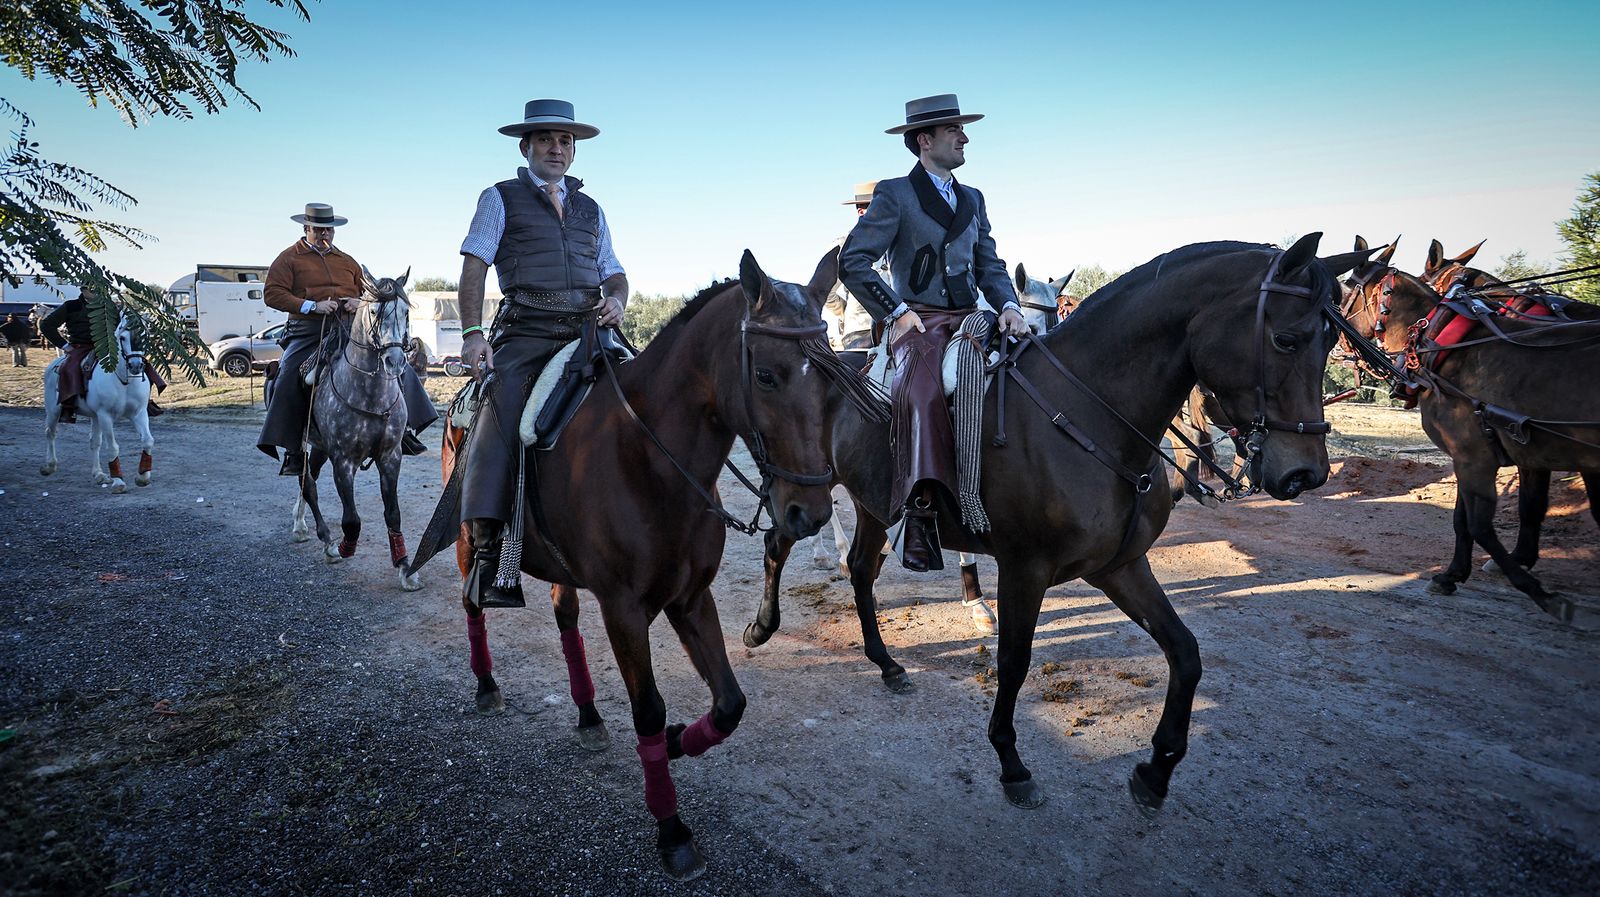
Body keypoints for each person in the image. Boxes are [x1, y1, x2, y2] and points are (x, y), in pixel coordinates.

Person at [840, 94, 1028, 572]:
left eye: (963, 132)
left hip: (972, 317)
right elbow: (853, 262)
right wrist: (897, 312)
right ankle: (920, 510)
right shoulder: (895, 194)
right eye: (954, 132)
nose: (964, 138)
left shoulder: (974, 198)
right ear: (925, 141)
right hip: (917, 320)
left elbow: (990, 262)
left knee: (1031, 368)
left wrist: (1008, 304)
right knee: (922, 392)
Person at [454, 99, 629, 609]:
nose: (557, 148)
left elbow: (613, 269)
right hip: (527, 331)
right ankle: (487, 546)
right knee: (501, 409)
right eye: (547, 139)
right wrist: (472, 332)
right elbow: (474, 267)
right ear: (525, 146)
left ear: (573, 152)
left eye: (565, 141)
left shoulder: (591, 208)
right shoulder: (499, 197)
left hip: (588, 329)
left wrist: (617, 299)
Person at [256, 203, 437, 475]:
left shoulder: (347, 261)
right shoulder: (288, 259)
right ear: (306, 228)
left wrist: (356, 301)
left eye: (328, 228)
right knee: (289, 375)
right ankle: (294, 450)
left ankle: (405, 430)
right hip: (308, 331)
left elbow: (368, 294)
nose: (325, 233)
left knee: (396, 364)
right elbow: (272, 294)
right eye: (319, 229)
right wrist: (311, 306)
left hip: (349, 328)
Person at [40, 290, 167, 421]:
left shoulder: (110, 307)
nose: (95, 291)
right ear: (83, 289)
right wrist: (65, 346)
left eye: (97, 288)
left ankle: (143, 402)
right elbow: (46, 325)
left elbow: (123, 326)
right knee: (70, 368)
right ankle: (68, 406)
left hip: (108, 347)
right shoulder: (71, 306)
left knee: (143, 366)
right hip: (80, 347)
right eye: (90, 288)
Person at [823, 183, 883, 352]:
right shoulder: (844, 245)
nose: (861, 210)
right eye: (859, 206)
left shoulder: (901, 245)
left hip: (900, 328)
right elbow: (827, 291)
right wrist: (848, 312)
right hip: (861, 332)